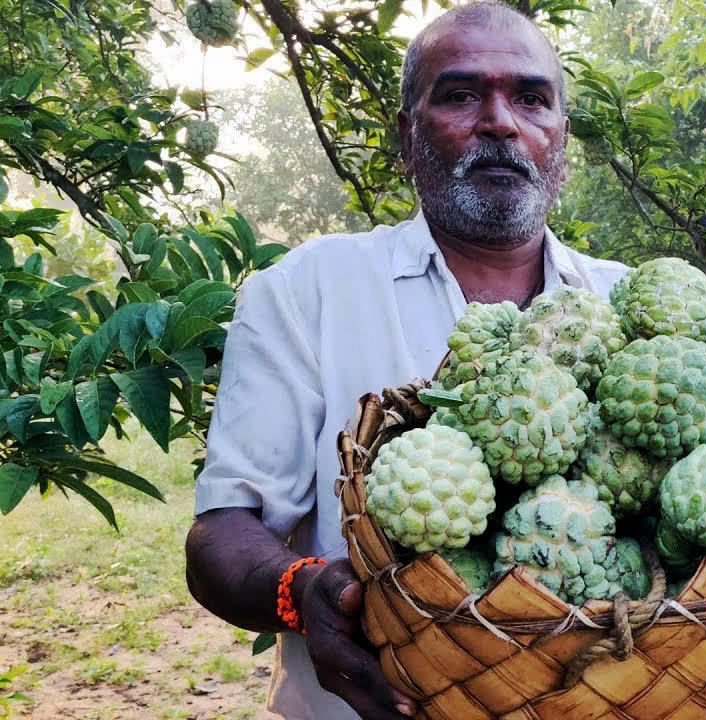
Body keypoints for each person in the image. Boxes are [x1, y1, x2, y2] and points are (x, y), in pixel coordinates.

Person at [183, 4, 627, 719]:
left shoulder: (628, 305)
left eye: (531, 98)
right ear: (406, 135)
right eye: (459, 95)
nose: (500, 121)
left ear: (561, 139)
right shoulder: (305, 293)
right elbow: (221, 534)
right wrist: (302, 591)